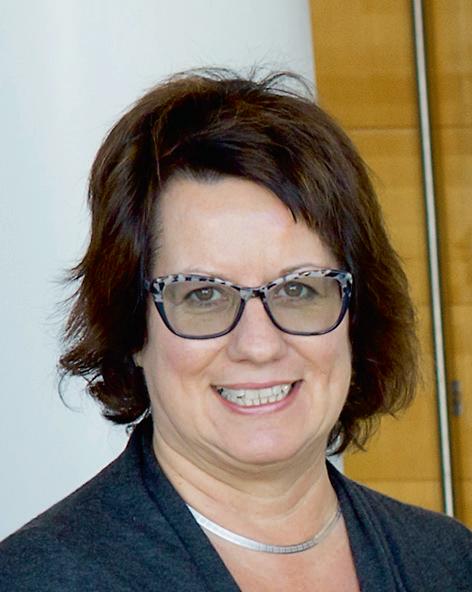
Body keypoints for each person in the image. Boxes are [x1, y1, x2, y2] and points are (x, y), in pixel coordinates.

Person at [1, 69, 470, 592]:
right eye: (203, 295)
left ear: (355, 316)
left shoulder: (448, 561)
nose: (259, 345)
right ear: (132, 328)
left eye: (299, 289)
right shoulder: (40, 578)